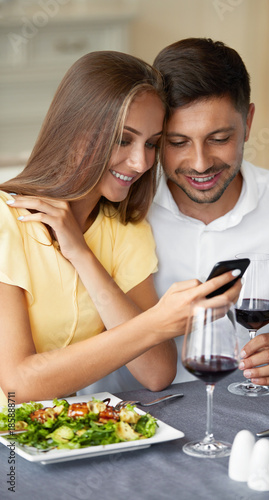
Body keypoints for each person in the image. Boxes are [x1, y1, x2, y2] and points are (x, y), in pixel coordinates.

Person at [0, 50, 241, 405]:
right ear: (74, 130)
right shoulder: (7, 220)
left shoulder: (125, 228)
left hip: (58, 432)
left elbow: (157, 373)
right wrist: (157, 322)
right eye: (123, 139)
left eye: (152, 144)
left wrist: (82, 255)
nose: (141, 162)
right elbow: (18, 385)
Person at [149, 37, 269, 387]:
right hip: (122, 420)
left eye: (219, 138)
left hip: (246, 417)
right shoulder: (121, 204)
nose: (200, 164)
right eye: (177, 142)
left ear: (248, 121)